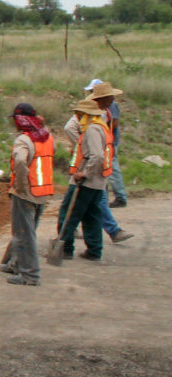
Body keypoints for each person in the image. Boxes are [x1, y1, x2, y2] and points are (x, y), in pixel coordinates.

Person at [62, 81, 133, 243]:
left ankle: (75, 234)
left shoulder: (104, 111)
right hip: (91, 163)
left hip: (98, 162)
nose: (114, 98)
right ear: (103, 98)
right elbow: (69, 128)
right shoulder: (88, 110)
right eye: (111, 96)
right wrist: (84, 147)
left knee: (89, 203)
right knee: (93, 201)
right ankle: (112, 232)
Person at [2, 103, 54, 286]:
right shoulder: (47, 137)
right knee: (28, 231)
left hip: (27, 193)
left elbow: (21, 163)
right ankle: (15, 263)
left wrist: (20, 186)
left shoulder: (24, 140)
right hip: (43, 191)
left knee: (24, 234)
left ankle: (29, 275)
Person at [57, 99, 113, 262]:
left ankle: (65, 248)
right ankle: (94, 251)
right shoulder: (102, 127)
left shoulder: (92, 130)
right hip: (98, 182)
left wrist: (83, 173)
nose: (78, 117)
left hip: (87, 182)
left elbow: (97, 156)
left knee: (68, 214)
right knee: (91, 216)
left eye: (80, 115)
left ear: (86, 115)